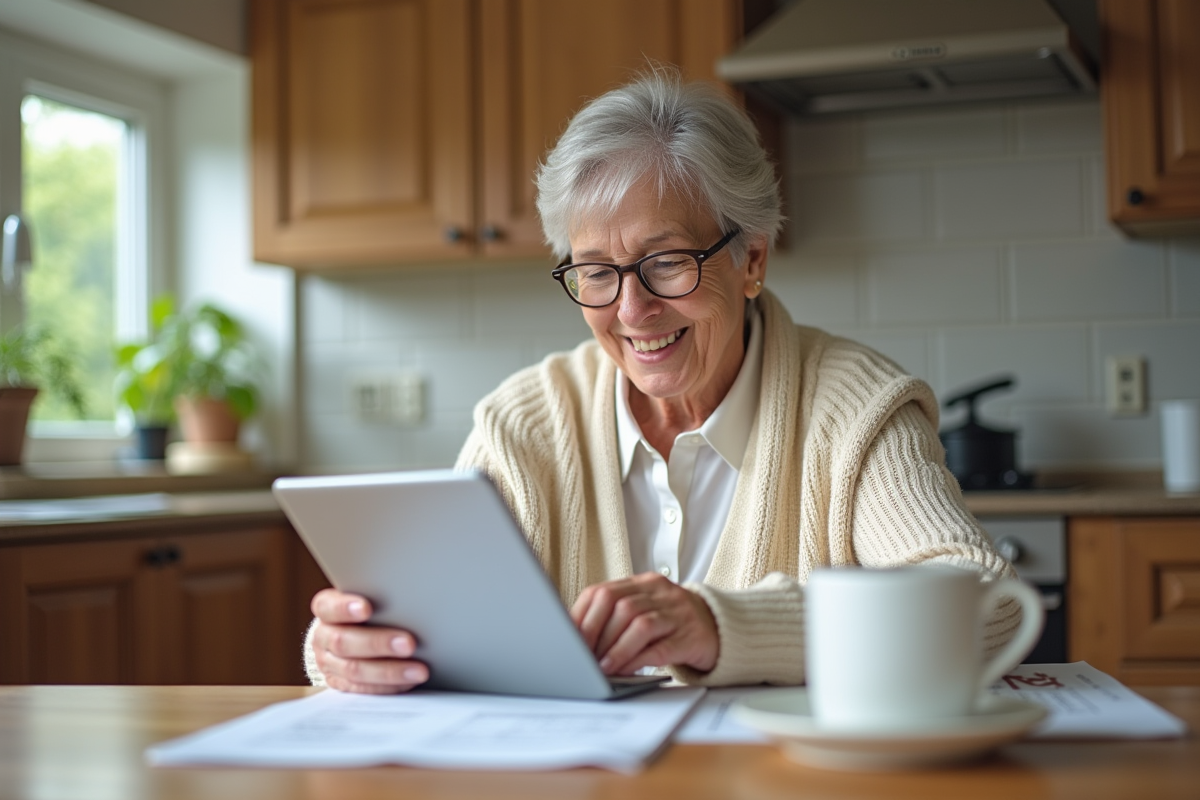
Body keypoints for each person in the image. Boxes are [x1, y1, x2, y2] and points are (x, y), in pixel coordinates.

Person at [304, 69, 1020, 694]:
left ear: (751, 259)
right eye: (596, 272)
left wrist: (723, 624)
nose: (630, 309)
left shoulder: (855, 407)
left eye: (668, 262)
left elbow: (990, 603)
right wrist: (351, 647)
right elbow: (434, 618)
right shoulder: (524, 423)